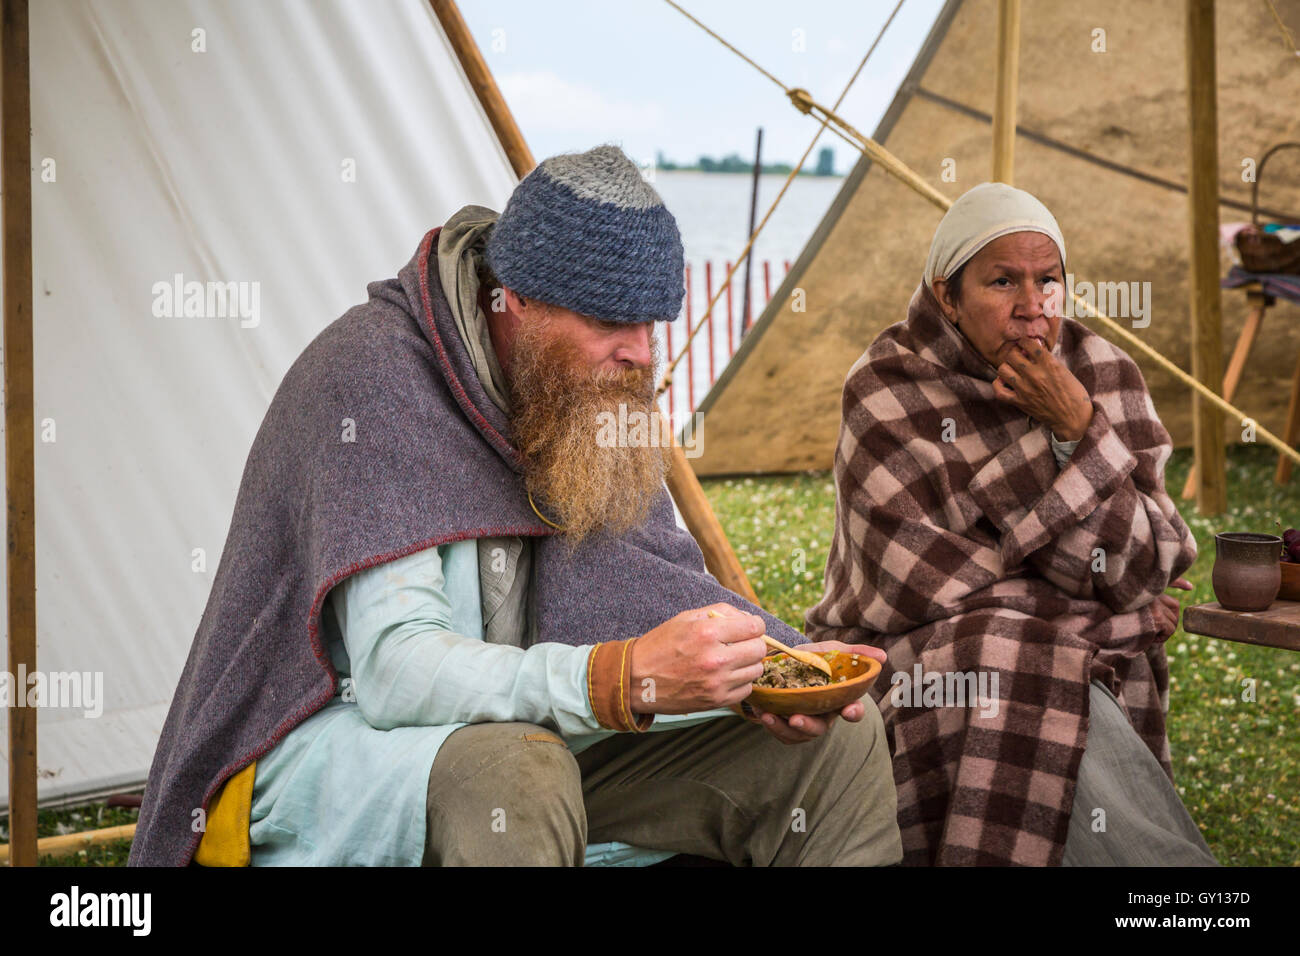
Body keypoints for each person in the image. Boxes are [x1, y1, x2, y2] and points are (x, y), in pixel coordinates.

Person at [128, 145, 902, 867]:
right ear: (516, 301)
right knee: (515, 770)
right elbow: (395, 675)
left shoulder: (586, 393)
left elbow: (651, 583)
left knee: (834, 752)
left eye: (650, 324)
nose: (638, 352)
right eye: (607, 321)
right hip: (343, 743)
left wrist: (773, 671)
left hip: (541, 734)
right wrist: (616, 678)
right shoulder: (370, 377)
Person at [805, 181, 1217, 867]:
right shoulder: (885, 388)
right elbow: (921, 587)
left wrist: (1076, 427)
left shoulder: (1104, 375)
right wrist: (1114, 611)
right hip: (904, 652)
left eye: (1047, 281)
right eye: (1002, 282)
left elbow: (1151, 562)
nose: (1032, 308)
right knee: (1002, 651)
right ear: (947, 296)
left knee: (1038, 657)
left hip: (1052, 647)